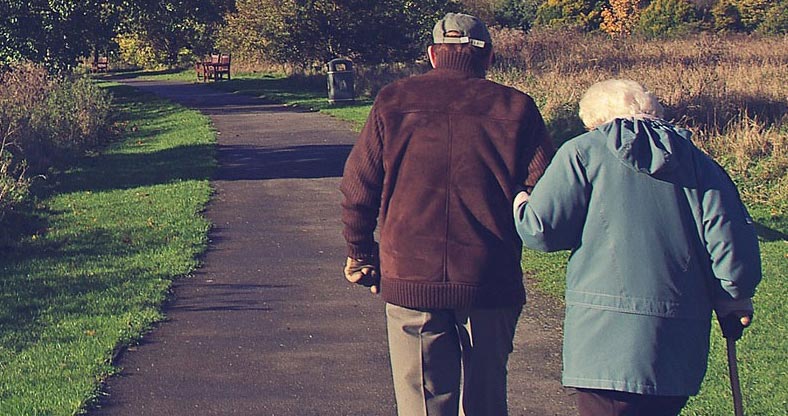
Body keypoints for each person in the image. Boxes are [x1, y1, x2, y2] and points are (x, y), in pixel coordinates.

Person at [340, 12, 555, 416]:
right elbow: (544, 192)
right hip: (489, 276)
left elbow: (358, 188)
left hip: (410, 274)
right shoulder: (517, 107)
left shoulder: (393, 100)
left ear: (432, 55)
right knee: (487, 400)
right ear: (487, 57)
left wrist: (360, 253)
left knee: (421, 401)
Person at [513, 79, 762, 416]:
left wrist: (520, 199)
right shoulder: (701, 164)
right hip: (678, 342)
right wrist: (735, 298)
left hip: (602, 342)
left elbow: (540, 230)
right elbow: (732, 248)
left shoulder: (582, 152)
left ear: (596, 120)